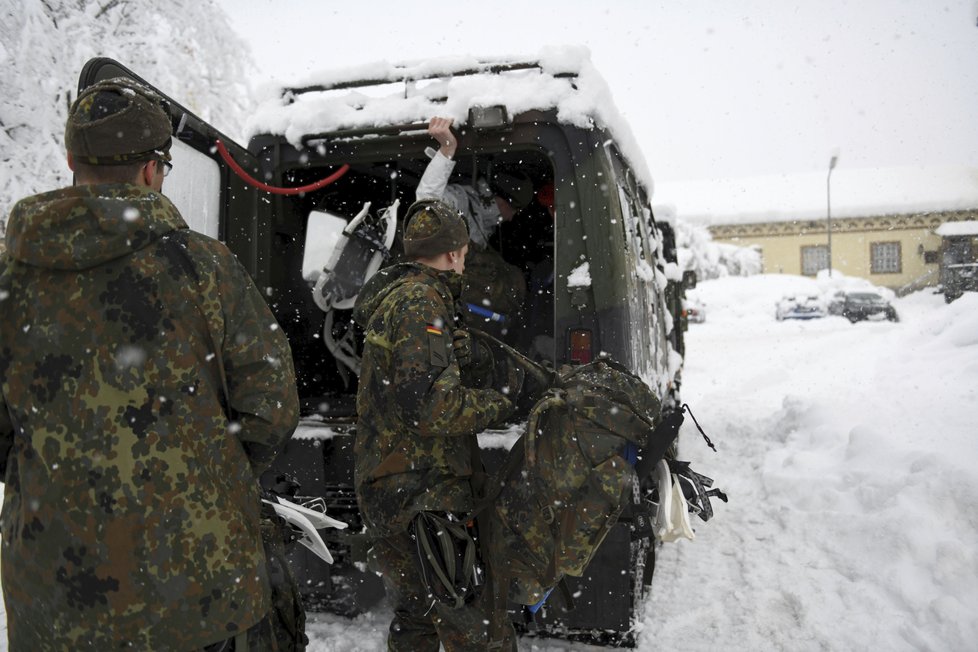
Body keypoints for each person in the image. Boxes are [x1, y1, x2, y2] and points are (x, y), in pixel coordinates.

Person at [0, 78, 300, 650]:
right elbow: (271, 409)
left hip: (53, 595)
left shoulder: (9, 278)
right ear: (151, 171)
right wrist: (211, 477)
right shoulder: (205, 268)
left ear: (70, 159)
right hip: (198, 589)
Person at [352, 198, 517, 650]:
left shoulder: (399, 296)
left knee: (418, 614)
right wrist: (499, 404)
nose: (465, 259)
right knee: (476, 624)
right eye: (463, 251)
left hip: (392, 486)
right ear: (452, 253)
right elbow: (430, 408)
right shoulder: (421, 302)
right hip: (424, 493)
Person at [417, 117, 529, 343]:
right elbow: (426, 201)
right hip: (442, 314)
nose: (515, 215)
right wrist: (447, 150)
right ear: (504, 201)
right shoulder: (461, 201)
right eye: (516, 207)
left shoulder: (486, 218)